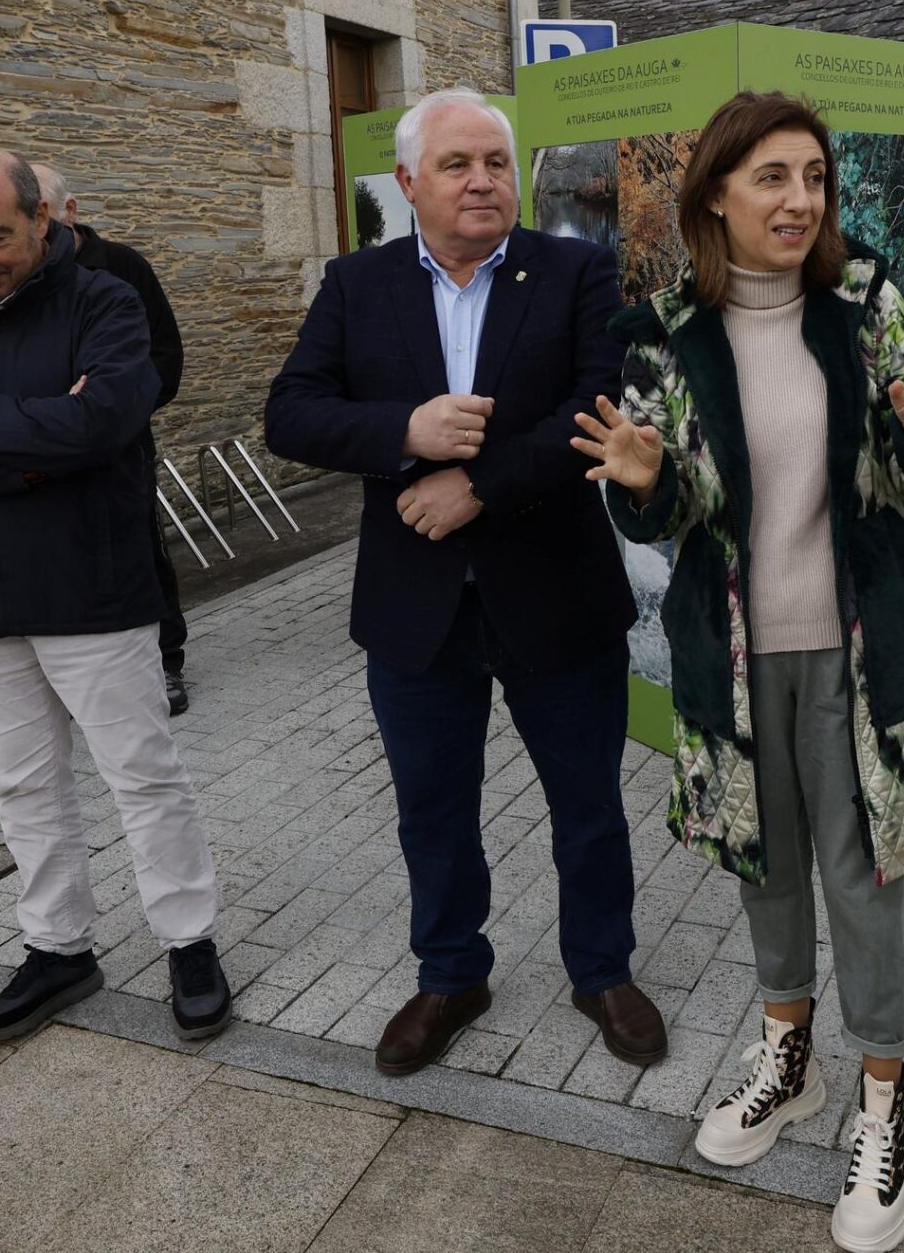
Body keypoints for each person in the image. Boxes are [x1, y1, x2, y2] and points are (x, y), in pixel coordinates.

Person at [574, 91, 904, 1253]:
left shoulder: (864, 306)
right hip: (733, 660)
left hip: (861, 653)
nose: (799, 200)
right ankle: (786, 1058)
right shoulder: (660, 332)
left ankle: (886, 1109)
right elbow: (661, 515)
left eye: (813, 178)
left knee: (866, 879)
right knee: (766, 867)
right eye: (771, 179)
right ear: (714, 197)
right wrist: (642, 482)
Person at [265, 87, 666, 1077]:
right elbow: (291, 414)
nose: (481, 179)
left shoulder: (574, 269)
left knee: (588, 804)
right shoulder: (356, 286)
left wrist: (474, 486)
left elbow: (597, 409)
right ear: (408, 183)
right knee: (432, 808)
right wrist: (402, 431)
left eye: (495, 161)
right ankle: (450, 973)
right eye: (456, 164)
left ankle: (601, 970)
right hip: (416, 607)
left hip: (554, 592)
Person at [0, 147, 231, 1045]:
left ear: (43, 220)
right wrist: (33, 456)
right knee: (22, 785)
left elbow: (102, 422)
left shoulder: (105, 299)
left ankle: (190, 940)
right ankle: (58, 945)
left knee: (142, 777)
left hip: (92, 588)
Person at [30, 164, 190, 714]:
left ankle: (167, 661)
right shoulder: (15, 276)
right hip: (37, 448)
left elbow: (164, 359)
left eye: (40, 214)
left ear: (67, 212)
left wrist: (111, 409)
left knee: (138, 547)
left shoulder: (122, 268)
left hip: (119, 446)